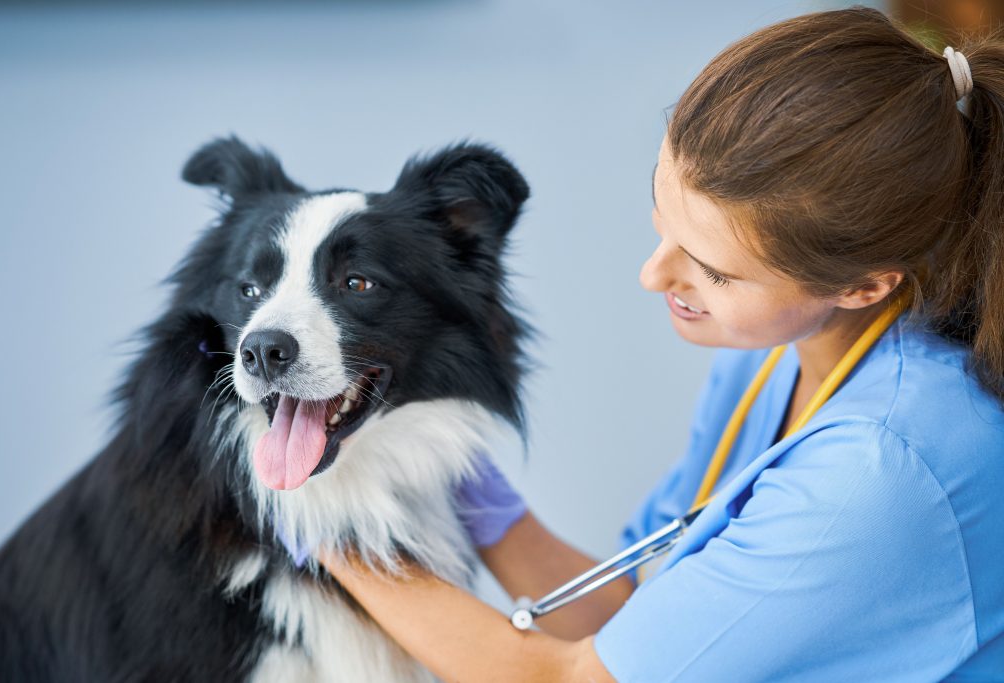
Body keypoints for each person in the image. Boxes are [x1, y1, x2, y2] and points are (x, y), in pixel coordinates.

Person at [319, 8, 1004, 681]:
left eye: (713, 269)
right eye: (661, 214)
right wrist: (471, 493)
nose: (653, 274)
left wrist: (322, 528)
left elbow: (569, 678)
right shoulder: (772, 361)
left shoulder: (881, 472)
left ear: (862, 286)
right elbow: (635, 619)